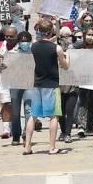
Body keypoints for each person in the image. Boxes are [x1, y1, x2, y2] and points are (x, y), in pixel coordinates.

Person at [23, 19, 69, 155]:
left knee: (33, 116)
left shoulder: (33, 46)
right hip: (52, 84)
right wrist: (68, 56)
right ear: (51, 31)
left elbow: (46, 41)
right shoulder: (57, 48)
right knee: (53, 116)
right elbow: (65, 65)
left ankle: (27, 146)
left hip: (37, 84)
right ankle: (52, 147)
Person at [0, 26, 19, 139]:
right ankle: (6, 129)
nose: (9, 38)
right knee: (6, 103)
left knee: (17, 104)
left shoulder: (21, 46)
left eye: (11, 37)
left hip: (19, 79)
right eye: (7, 36)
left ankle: (20, 127)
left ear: (16, 36)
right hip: (4, 79)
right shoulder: (1, 44)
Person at [10, 31, 33, 145]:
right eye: (22, 41)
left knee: (29, 110)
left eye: (27, 41)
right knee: (15, 112)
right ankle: (15, 135)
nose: (25, 43)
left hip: (29, 84)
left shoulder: (34, 52)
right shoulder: (12, 53)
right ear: (18, 42)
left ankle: (26, 134)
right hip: (15, 84)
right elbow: (4, 69)